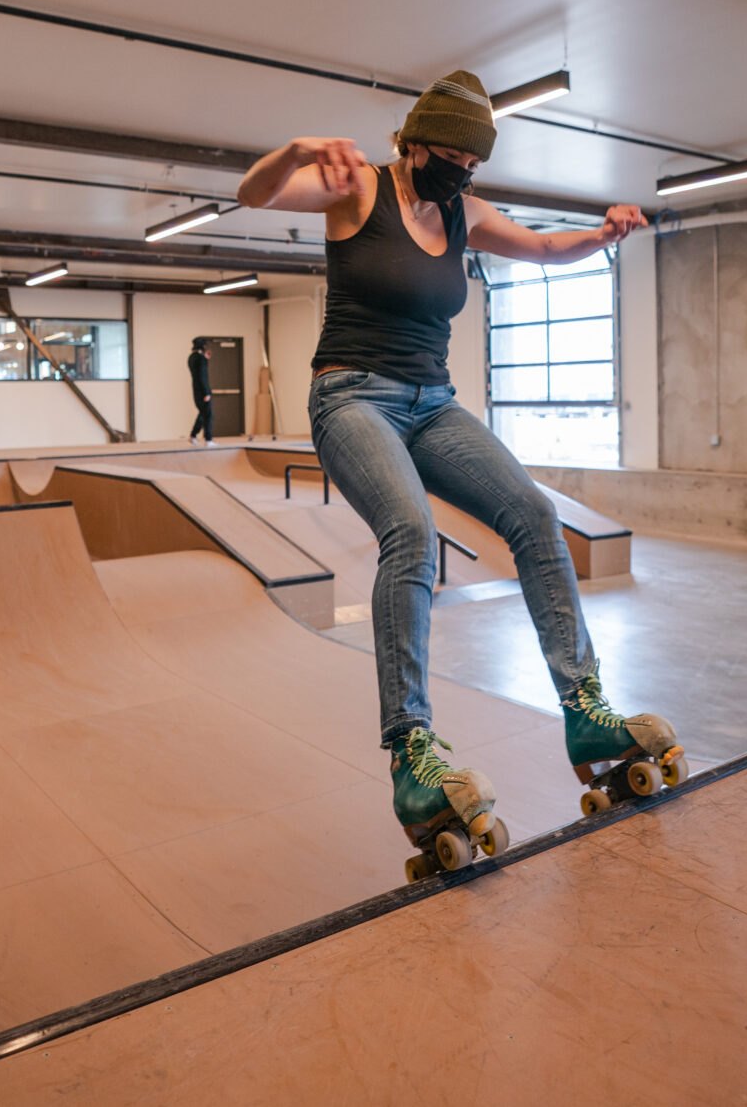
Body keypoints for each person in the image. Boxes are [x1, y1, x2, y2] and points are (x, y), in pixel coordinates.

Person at [237, 71, 682, 867]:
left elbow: (544, 247)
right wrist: (299, 147)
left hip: (434, 403)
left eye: (472, 166)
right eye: (449, 157)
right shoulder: (356, 191)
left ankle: (585, 708)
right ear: (412, 143)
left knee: (534, 514)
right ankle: (412, 753)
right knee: (411, 532)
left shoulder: (462, 209)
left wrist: (603, 234)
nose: (462, 174)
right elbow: (253, 193)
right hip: (349, 397)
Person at [187, 338, 214, 445]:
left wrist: (205, 359)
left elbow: (197, 372)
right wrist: (206, 392)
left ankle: (193, 435)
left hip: (196, 389)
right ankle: (208, 439)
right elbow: (203, 376)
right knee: (208, 415)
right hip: (203, 391)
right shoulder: (201, 359)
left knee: (203, 414)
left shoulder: (191, 357)